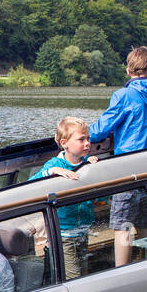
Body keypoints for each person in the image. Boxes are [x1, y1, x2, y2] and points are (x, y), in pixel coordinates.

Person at [89, 46, 147, 266]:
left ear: (128, 71)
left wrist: (78, 133)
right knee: (143, 223)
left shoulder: (124, 95)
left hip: (127, 170)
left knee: (121, 225)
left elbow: (100, 130)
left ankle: (121, 273)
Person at [32, 116, 96, 277]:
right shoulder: (55, 164)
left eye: (88, 138)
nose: (87, 143)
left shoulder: (86, 163)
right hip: (63, 234)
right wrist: (53, 172)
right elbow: (31, 183)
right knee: (72, 277)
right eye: (81, 139)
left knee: (83, 272)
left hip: (83, 230)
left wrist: (96, 169)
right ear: (64, 143)